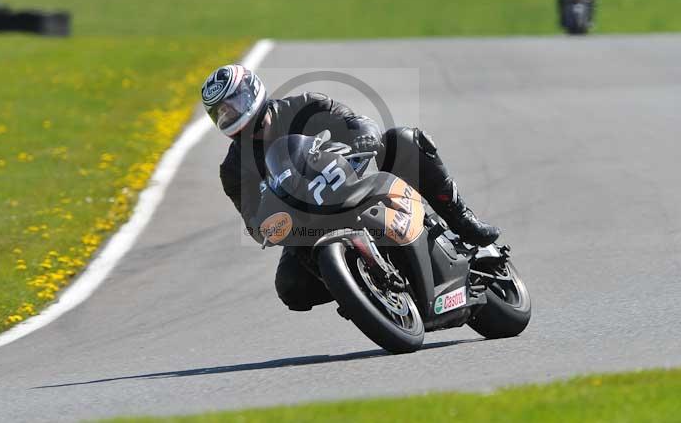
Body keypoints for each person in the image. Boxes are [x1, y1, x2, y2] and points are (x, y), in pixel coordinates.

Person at [202, 64, 501, 311]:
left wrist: (365, 135)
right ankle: (357, 288)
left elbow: (354, 121)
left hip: (352, 180)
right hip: (306, 221)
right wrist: (265, 227)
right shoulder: (232, 170)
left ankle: (461, 219)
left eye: (234, 104)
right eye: (223, 114)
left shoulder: (304, 106)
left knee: (402, 140)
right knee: (291, 287)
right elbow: (253, 219)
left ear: (253, 91)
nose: (231, 115)